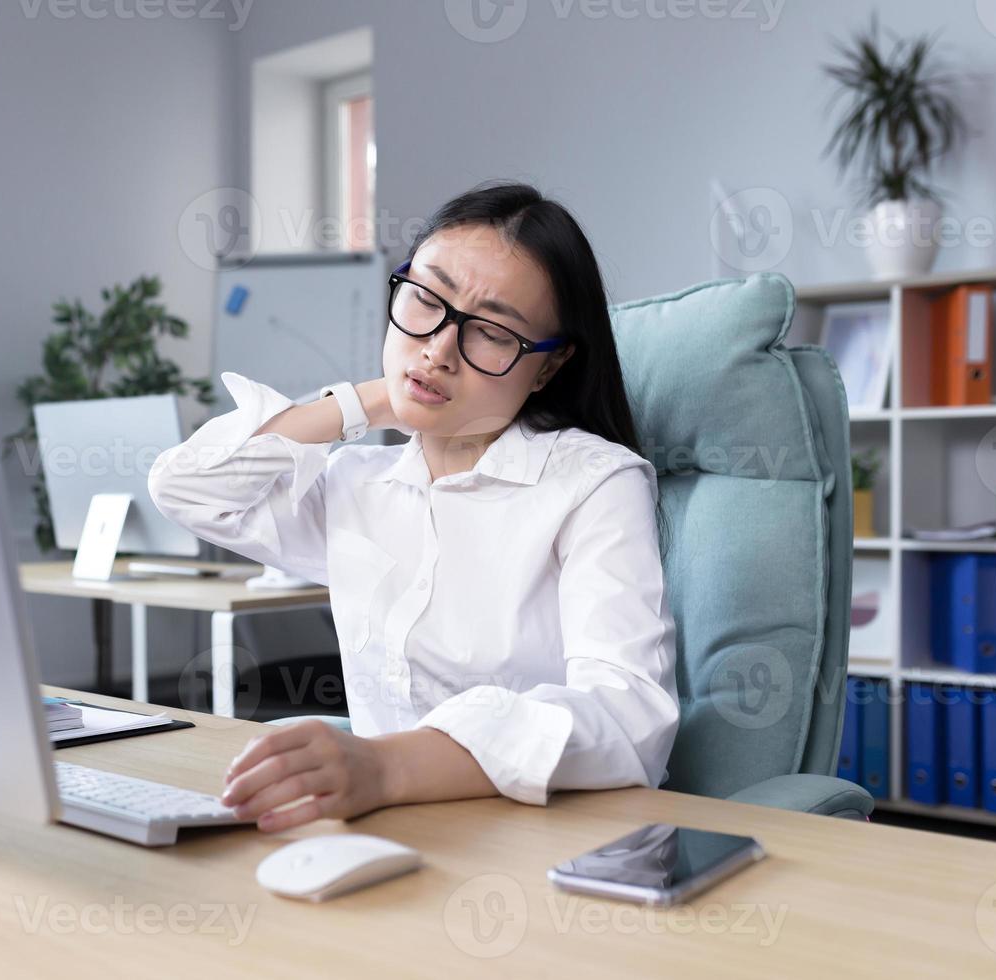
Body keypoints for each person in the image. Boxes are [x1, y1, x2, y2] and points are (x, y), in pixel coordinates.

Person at [148, 182, 678, 833]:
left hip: (538, 837)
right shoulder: (359, 482)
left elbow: (630, 718)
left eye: (491, 332)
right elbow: (188, 487)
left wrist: (386, 768)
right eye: (425, 299)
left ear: (547, 366)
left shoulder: (593, 482)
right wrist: (370, 401)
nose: (438, 350)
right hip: (375, 832)